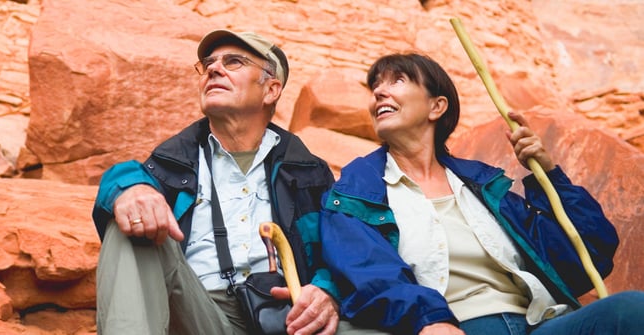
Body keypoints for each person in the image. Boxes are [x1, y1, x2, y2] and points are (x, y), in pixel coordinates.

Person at [319, 53, 644, 335]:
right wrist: (428, 319)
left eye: (398, 81)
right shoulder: (356, 193)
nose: (379, 92)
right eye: (376, 87)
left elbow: (590, 252)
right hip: (456, 327)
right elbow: (368, 272)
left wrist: (549, 175)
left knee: (631, 308)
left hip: (537, 323)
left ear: (437, 106)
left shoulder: (483, 186)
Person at [92, 30, 386, 335]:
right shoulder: (172, 162)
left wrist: (326, 292)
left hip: (287, 319)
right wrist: (130, 188)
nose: (213, 69)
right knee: (133, 220)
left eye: (234, 62)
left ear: (271, 90)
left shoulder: (310, 174)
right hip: (198, 314)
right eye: (208, 64)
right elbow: (125, 175)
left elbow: (343, 250)